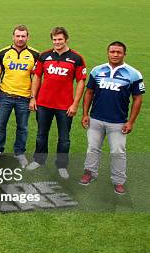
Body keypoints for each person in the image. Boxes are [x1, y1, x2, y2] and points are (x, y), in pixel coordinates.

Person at [80, 41, 144, 194]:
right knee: (93, 148)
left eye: (118, 52)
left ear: (124, 54)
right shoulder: (97, 70)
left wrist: (131, 121)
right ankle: (89, 173)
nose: (115, 55)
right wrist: (85, 114)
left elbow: (137, 99)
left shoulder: (134, 74)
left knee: (117, 152)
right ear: (107, 53)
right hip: (96, 119)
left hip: (118, 122)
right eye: (112, 52)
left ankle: (119, 181)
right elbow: (89, 92)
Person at [27, 27, 86, 179]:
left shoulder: (76, 58)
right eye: (54, 39)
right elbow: (37, 77)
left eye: (60, 39)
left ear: (66, 39)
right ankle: (39, 160)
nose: (57, 42)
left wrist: (75, 104)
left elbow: (81, 82)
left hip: (64, 106)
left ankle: (61, 165)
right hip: (44, 104)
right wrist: (33, 97)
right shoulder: (44, 56)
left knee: (64, 138)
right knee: (41, 135)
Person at [0, 25, 39, 168]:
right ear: (13, 36)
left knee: (22, 127)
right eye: (18, 36)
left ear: (28, 37)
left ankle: (19, 153)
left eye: (23, 36)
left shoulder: (35, 55)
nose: (20, 39)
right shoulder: (4, 53)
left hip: (24, 98)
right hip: (5, 96)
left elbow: (37, 78)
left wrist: (33, 97)